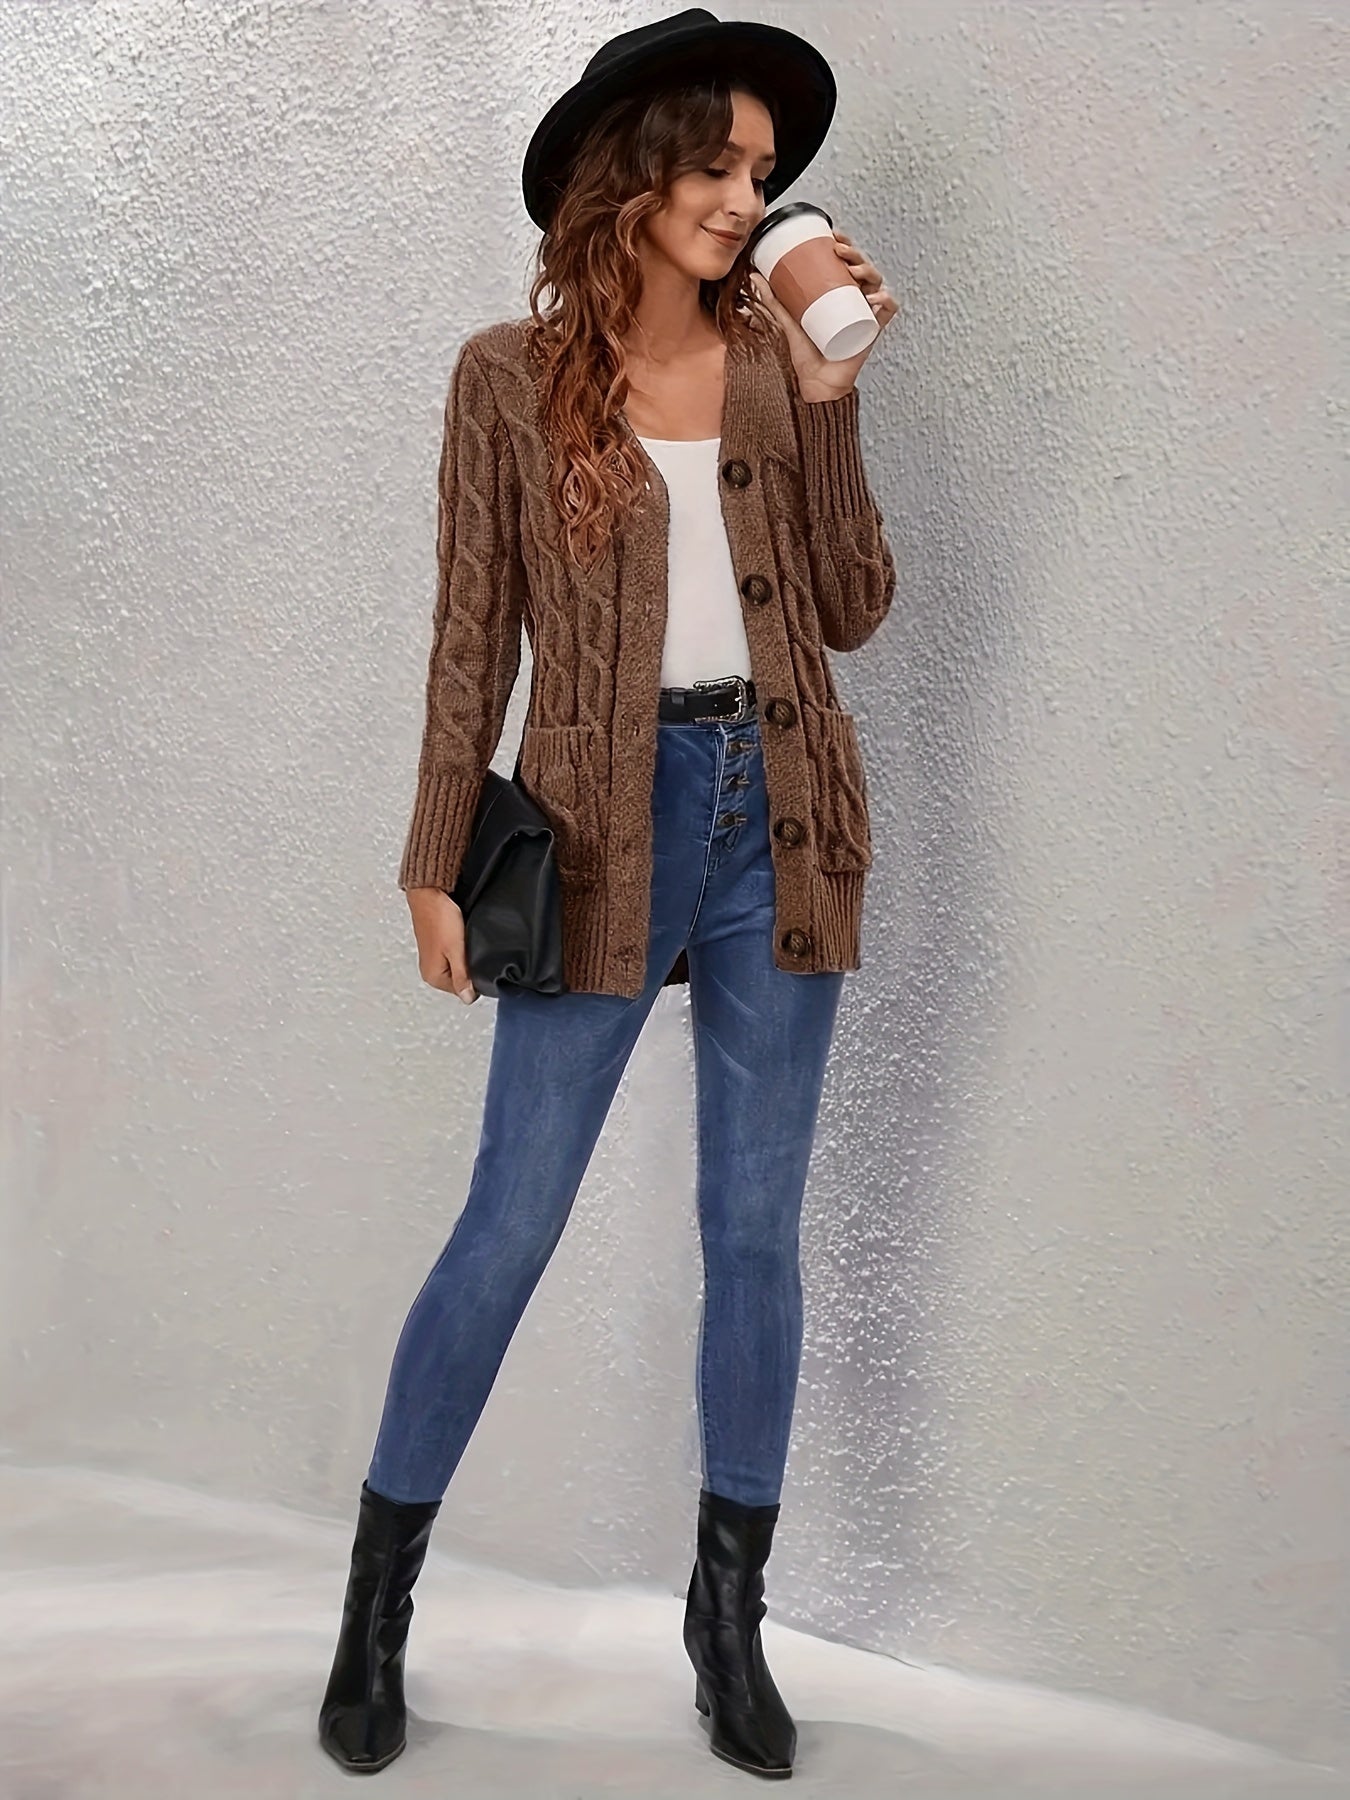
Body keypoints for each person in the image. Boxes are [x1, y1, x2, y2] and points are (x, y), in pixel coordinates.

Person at [318, 6, 898, 1781]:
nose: (744, 197)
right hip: (593, 826)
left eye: (760, 171)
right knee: (509, 1224)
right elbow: (466, 636)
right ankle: (374, 1611)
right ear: (628, 175)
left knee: (753, 1230)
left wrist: (831, 412)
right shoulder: (506, 375)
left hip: (776, 815)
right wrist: (433, 856)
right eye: (714, 164)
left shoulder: (775, 364)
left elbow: (853, 610)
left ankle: (727, 1624)